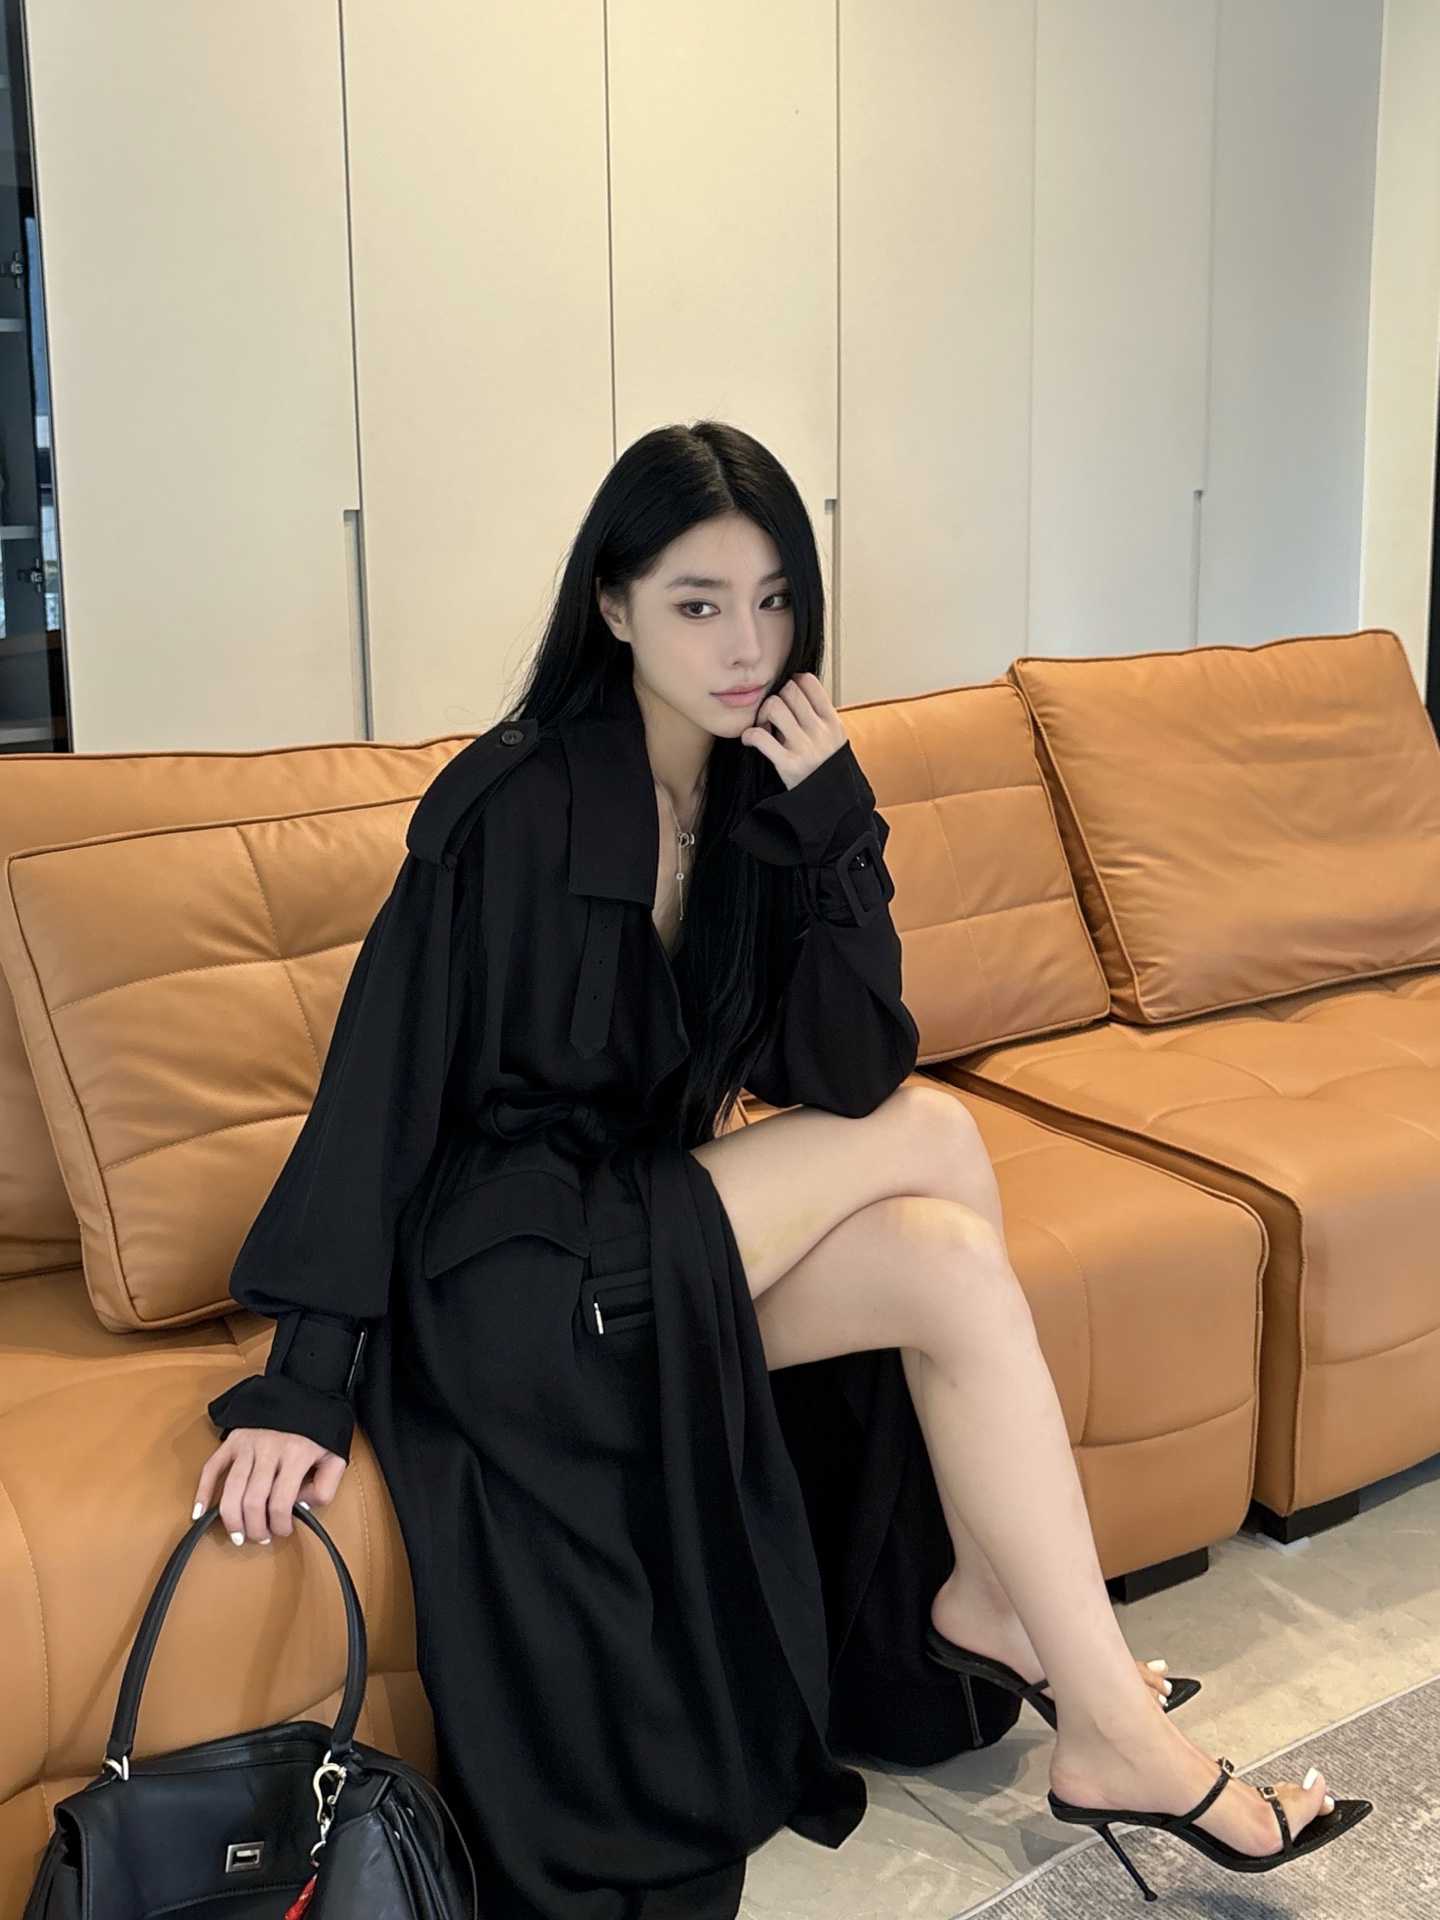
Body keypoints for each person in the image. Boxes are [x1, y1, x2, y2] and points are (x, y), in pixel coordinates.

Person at [196, 423, 1367, 1919]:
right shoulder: (510, 802)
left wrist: (832, 834)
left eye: (772, 602)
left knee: (949, 1262)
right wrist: (305, 1375)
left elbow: (850, 1066)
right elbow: (381, 1080)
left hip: (641, 1238)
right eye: (697, 604)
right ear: (613, 605)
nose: (746, 646)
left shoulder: (761, 798)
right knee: (938, 1137)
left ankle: (1048, 1663)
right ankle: (1032, 1636)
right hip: (507, 1278)